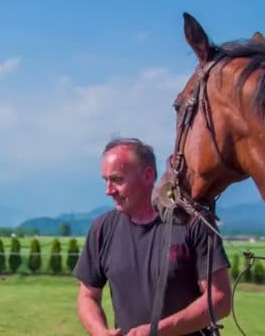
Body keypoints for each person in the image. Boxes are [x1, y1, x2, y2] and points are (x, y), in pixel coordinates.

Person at [72, 137, 232, 336]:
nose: (108, 191)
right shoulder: (102, 228)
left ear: (148, 176)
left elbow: (220, 299)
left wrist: (158, 331)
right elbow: (87, 296)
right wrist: (100, 331)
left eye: (117, 180)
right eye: (106, 180)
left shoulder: (193, 223)